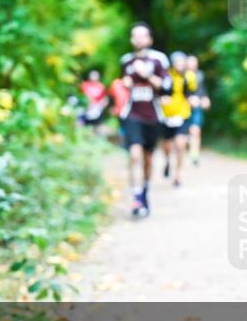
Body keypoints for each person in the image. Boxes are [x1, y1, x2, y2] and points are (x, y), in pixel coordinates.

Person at [119, 22, 170, 218]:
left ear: (149, 39)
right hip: (132, 114)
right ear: (132, 39)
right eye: (135, 36)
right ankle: (136, 196)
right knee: (134, 154)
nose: (138, 39)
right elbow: (124, 83)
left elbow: (165, 87)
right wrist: (126, 83)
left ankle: (145, 190)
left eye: (142, 36)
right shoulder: (126, 61)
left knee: (148, 159)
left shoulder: (158, 60)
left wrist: (146, 74)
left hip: (154, 116)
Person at [160, 51, 196, 187]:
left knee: (181, 145)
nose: (180, 65)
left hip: (183, 114)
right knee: (167, 146)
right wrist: (162, 98)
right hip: (167, 116)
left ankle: (177, 175)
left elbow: (193, 93)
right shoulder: (166, 76)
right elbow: (160, 92)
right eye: (177, 62)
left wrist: (194, 99)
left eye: (182, 62)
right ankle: (167, 161)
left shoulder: (190, 77)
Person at [185, 55, 210, 166]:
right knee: (183, 135)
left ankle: (194, 156)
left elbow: (202, 90)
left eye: (195, 63)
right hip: (182, 109)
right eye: (191, 62)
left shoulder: (200, 75)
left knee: (196, 131)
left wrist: (205, 98)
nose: (193, 65)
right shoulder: (181, 75)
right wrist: (188, 99)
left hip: (196, 108)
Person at [79, 69, 110, 136]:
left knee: (95, 123)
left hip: (96, 108)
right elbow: (80, 95)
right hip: (85, 107)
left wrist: (102, 104)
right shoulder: (84, 85)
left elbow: (104, 98)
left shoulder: (101, 87)